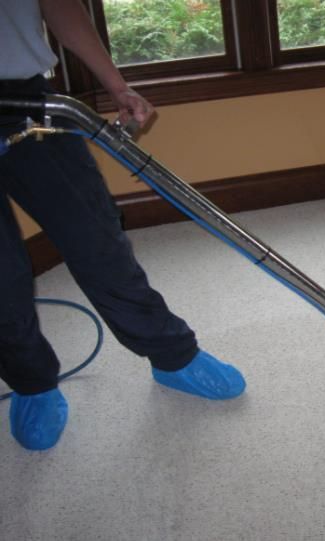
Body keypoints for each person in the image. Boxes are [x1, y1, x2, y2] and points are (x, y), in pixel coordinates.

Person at [0, 0, 246, 451]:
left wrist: (117, 85)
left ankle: (173, 357)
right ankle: (31, 382)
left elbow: (58, 4)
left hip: (28, 100)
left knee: (98, 240)